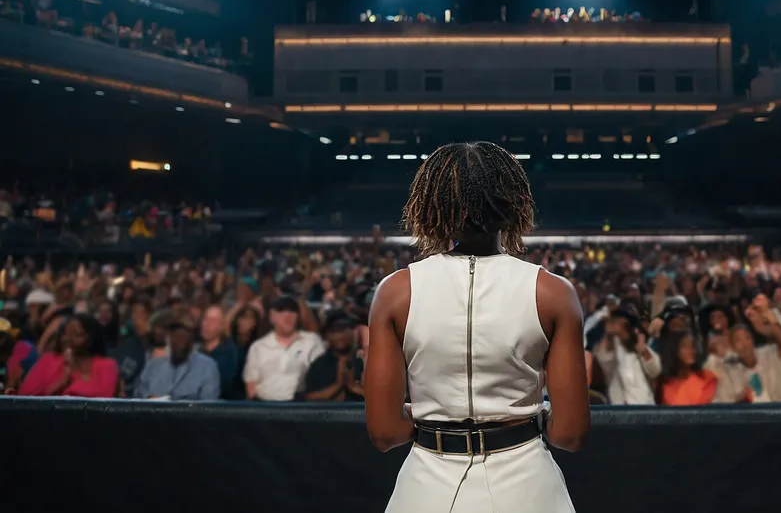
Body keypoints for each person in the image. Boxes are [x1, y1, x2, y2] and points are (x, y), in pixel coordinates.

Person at [366, 141, 589, 513]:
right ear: (514, 203)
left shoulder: (395, 293)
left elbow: (386, 432)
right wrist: (526, 418)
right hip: (528, 486)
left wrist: (431, 418)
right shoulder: (553, 293)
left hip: (426, 488)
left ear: (433, 204)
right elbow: (569, 433)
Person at [243, 295, 324, 401]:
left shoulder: (312, 342)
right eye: (281, 311)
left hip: (301, 406)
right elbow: (251, 385)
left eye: (292, 311)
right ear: (272, 317)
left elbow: (323, 377)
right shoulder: (258, 347)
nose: (287, 316)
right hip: (265, 407)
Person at [19, 314, 119, 398]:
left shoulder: (107, 365)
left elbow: (104, 399)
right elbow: (26, 397)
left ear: (91, 339)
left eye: (76, 334)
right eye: (64, 334)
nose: (67, 339)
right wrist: (62, 383)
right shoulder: (48, 361)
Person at [135, 316, 220, 401]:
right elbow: (139, 390)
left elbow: (208, 406)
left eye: (183, 337)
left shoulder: (207, 367)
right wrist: (150, 398)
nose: (178, 342)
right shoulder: (154, 365)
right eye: (175, 336)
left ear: (191, 341)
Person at [657, 330, 717, 405]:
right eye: (684, 346)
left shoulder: (706, 377)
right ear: (673, 350)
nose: (691, 351)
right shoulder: (664, 383)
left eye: (692, 346)